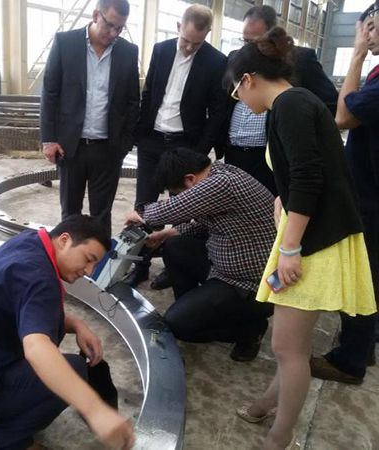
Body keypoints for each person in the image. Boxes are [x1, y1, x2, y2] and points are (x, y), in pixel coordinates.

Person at [227, 27, 376, 449]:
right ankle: (265, 406)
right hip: (311, 233)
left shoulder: (289, 106)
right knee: (291, 344)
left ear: (248, 80)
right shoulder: (297, 102)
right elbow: (307, 171)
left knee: (287, 349)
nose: (240, 101)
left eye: (236, 92)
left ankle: (280, 438)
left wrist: (291, 248)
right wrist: (283, 198)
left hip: (313, 243)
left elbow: (309, 177)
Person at [0, 215, 135, 450]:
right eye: (88, 259)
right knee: (74, 369)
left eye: (95, 264)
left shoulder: (31, 243)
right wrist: (95, 410)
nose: (89, 271)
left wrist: (77, 325)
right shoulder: (39, 277)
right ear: (64, 240)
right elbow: (37, 347)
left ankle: (3, 409)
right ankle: (7, 442)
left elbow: (26, 305)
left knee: (57, 356)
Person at [124, 148, 276, 362]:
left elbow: (169, 210)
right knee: (174, 245)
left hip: (248, 284)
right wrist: (166, 234)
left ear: (190, 179)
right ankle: (195, 308)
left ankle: (250, 330)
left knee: (177, 325)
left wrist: (140, 214)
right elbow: (203, 225)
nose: (180, 197)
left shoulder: (222, 184)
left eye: (180, 192)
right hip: (223, 262)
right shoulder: (217, 172)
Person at [126, 4, 228, 287]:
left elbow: (217, 112)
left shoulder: (216, 61)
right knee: (144, 207)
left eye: (196, 43)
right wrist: (139, 133)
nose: (189, 47)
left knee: (182, 209)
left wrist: (199, 151)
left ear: (207, 34)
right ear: (178, 27)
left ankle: (172, 267)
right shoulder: (160, 50)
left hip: (185, 145)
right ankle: (140, 265)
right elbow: (149, 92)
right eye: (185, 40)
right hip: (152, 140)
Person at [310, 3, 379, 385]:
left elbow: (343, 117)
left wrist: (355, 54)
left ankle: (350, 360)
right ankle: (365, 343)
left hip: (371, 196)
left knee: (362, 275)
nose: (368, 35)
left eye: (372, 28)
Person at [40, 0, 140, 237]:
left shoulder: (128, 52)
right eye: (110, 25)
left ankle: (100, 260)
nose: (113, 33)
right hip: (70, 147)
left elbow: (132, 101)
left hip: (108, 149)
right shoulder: (65, 43)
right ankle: (68, 259)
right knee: (70, 214)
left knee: (101, 215)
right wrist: (49, 140)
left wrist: (124, 144)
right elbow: (50, 93)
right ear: (96, 15)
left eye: (120, 28)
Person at [223, 5, 338, 196]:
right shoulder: (237, 58)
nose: (248, 47)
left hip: (270, 156)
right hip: (235, 151)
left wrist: (299, 134)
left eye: (254, 41)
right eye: (245, 40)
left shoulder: (291, 98)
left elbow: (305, 181)